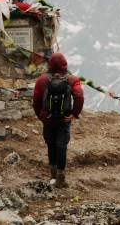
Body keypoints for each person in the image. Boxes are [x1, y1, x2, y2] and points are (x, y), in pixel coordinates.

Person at [32, 53, 84, 188]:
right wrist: (74, 114)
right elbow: (79, 97)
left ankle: (52, 176)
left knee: (51, 145)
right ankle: (61, 177)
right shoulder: (72, 79)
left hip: (48, 119)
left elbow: (36, 101)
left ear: (49, 64)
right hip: (63, 119)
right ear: (65, 64)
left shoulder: (41, 80)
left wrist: (41, 116)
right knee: (62, 146)